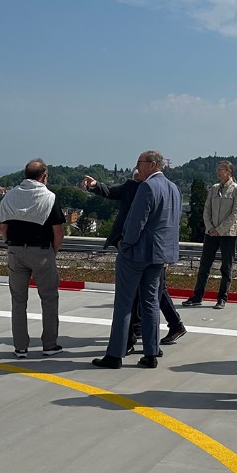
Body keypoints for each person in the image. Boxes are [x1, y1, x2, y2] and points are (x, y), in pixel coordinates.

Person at [94, 150, 180, 369]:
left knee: (124, 303)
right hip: (159, 256)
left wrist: (125, 245)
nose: (137, 166)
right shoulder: (173, 188)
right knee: (150, 303)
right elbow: (172, 224)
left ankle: (115, 354)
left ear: (152, 164)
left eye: (139, 163)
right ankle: (151, 353)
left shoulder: (147, 187)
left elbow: (135, 223)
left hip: (136, 254)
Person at [83, 170, 187, 348]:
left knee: (146, 293)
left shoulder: (153, 189)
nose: (138, 175)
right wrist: (95, 186)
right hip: (148, 249)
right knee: (152, 292)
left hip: (143, 248)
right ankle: (149, 340)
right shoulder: (140, 187)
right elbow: (111, 191)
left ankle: (138, 337)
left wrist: (125, 245)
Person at [0, 159, 66, 359]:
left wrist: (9, 244)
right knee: (49, 298)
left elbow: (2, 228)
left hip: (16, 250)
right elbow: (58, 232)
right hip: (41, 251)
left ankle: (20, 347)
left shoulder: (10, 196)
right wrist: (52, 252)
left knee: (18, 300)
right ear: (44, 176)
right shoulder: (49, 197)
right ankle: (49, 345)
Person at [183, 160, 237, 309]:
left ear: (229, 172)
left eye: (222, 169)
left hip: (229, 234)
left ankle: (222, 298)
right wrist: (210, 228)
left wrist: (220, 229)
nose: (218, 172)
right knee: (204, 265)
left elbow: (235, 213)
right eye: (218, 169)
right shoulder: (214, 189)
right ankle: (197, 296)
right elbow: (207, 210)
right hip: (211, 233)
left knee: (226, 267)